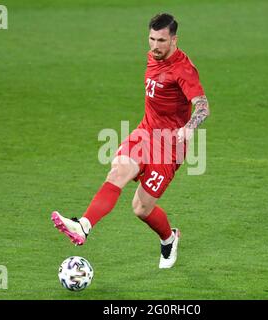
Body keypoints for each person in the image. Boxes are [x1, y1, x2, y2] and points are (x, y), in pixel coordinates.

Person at [51, 13, 210, 269]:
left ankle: (169, 239)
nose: (155, 46)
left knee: (141, 209)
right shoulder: (153, 56)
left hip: (169, 147)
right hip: (145, 132)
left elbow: (203, 106)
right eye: (151, 39)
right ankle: (84, 225)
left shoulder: (183, 69)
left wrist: (190, 127)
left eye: (161, 40)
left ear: (174, 40)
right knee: (118, 170)